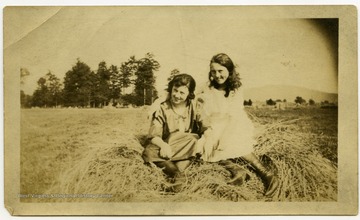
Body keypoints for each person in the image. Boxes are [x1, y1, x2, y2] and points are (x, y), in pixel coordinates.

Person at [196, 53, 279, 197]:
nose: (217, 75)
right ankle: (238, 171)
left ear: (229, 70)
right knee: (205, 149)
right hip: (214, 124)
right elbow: (201, 110)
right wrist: (207, 130)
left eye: (221, 71)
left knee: (233, 142)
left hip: (234, 123)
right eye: (213, 71)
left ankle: (268, 175)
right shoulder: (206, 87)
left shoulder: (236, 88)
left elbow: (234, 116)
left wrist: (224, 138)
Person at [142, 73, 199, 191]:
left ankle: (176, 177)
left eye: (182, 93)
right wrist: (163, 145)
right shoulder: (162, 108)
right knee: (149, 151)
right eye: (175, 90)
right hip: (167, 145)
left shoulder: (193, 107)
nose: (177, 95)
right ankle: (177, 174)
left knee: (193, 140)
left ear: (189, 94)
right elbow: (153, 134)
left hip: (186, 145)